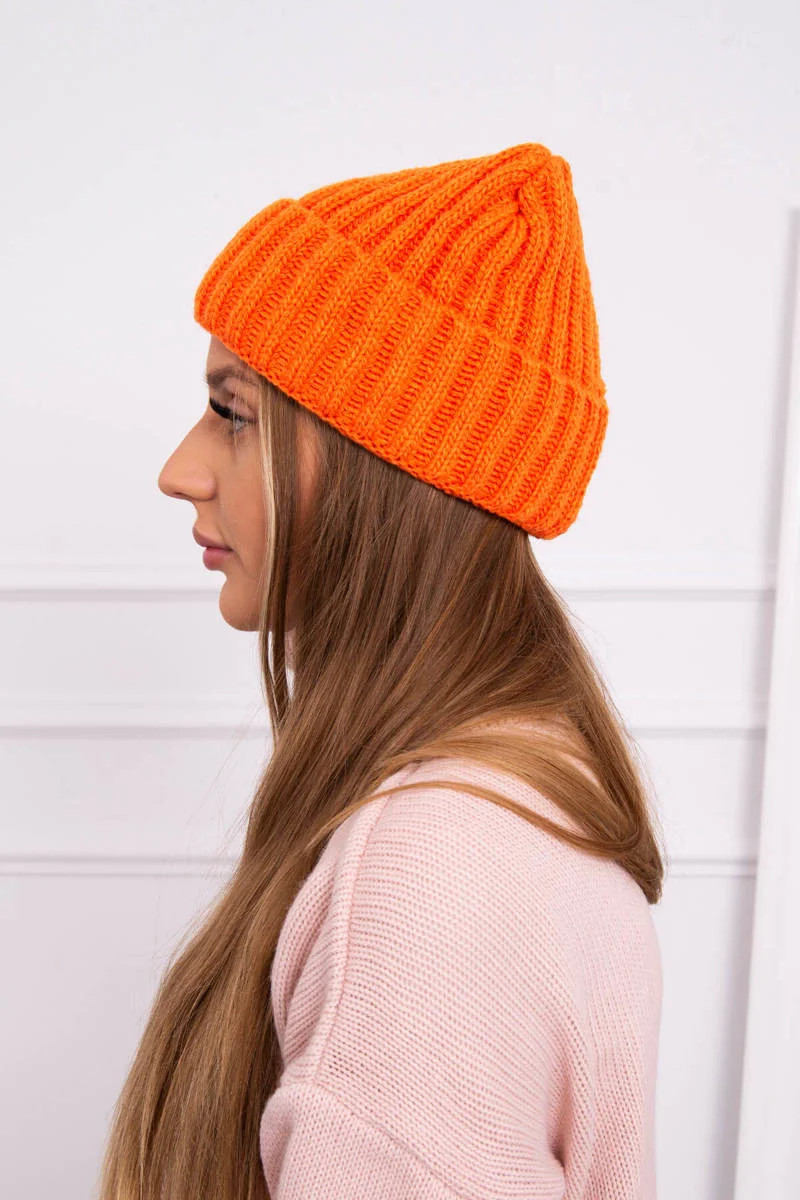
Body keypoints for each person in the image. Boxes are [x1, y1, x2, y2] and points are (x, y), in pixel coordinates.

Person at [98, 142, 665, 1200]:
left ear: (382, 463)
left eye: (234, 413)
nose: (181, 470)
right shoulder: (520, 797)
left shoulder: (432, 871)